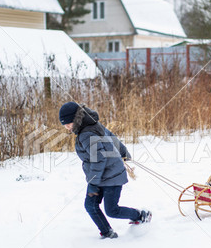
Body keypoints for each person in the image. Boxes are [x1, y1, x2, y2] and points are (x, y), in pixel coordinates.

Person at [59, 101, 152, 239]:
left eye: (68, 124)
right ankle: (107, 232)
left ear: (76, 119)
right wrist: (123, 153)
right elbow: (112, 138)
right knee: (90, 205)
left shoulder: (86, 133)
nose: (67, 127)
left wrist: (93, 183)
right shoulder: (92, 125)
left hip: (111, 176)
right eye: (64, 125)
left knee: (111, 210)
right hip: (101, 175)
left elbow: (99, 159)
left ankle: (140, 215)